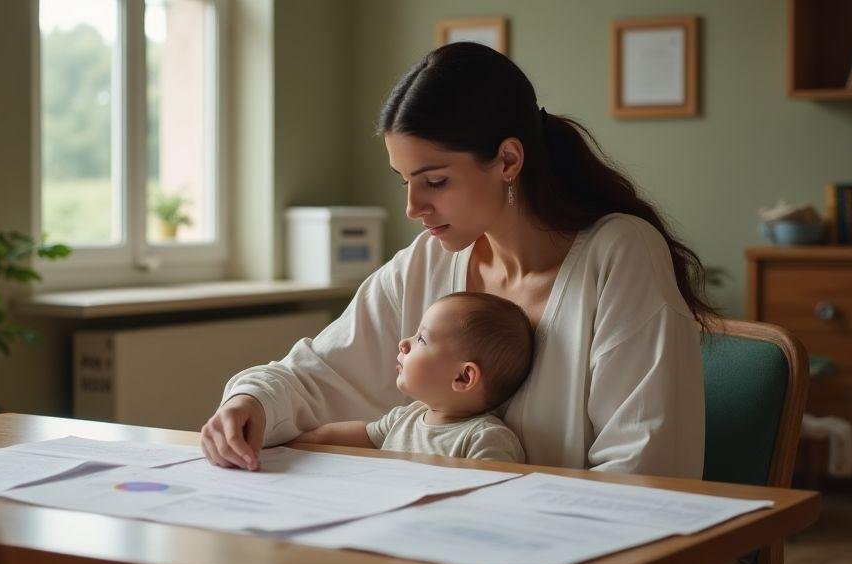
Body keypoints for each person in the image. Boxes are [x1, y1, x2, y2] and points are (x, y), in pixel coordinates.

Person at [201, 42, 713, 478]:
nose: (412, 208)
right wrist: (249, 403)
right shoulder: (427, 261)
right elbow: (314, 375)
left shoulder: (620, 254)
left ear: (508, 160)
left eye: (436, 182)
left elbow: (644, 468)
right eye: (405, 182)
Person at [294, 291, 533, 463]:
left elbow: (495, 500)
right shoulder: (406, 417)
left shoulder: (485, 439)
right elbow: (359, 436)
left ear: (462, 377)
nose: (403, 343)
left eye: (421, 339)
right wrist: (297, 442)